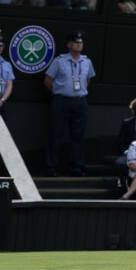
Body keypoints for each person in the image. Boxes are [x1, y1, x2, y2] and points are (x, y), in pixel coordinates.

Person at [43, 30, 95, 175]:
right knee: (55, 134)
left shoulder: (87, 62)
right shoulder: (59, 61)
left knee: (78, 136)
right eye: (76, 42)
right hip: (61, 101)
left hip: (80, 102)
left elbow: (88, 79)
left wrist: (78, 92)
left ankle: (76, 167)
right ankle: (51, 166)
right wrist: (59, 93)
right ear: (69, 44)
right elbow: (48, 81)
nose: (79, 44)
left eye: (81, 42)